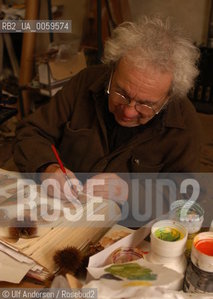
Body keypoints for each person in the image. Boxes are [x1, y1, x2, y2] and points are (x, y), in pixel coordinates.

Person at [14, 16, 201, 207]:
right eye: (121, 93)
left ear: (168, 97)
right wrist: (47, 169)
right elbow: (29, 133)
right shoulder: (85, 83)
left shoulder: (183, 122)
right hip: (62, 212)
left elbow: (187, 196)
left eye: (145, 105)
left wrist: (129, 192)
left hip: (127, 228)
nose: (128, 112)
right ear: (112, 70)